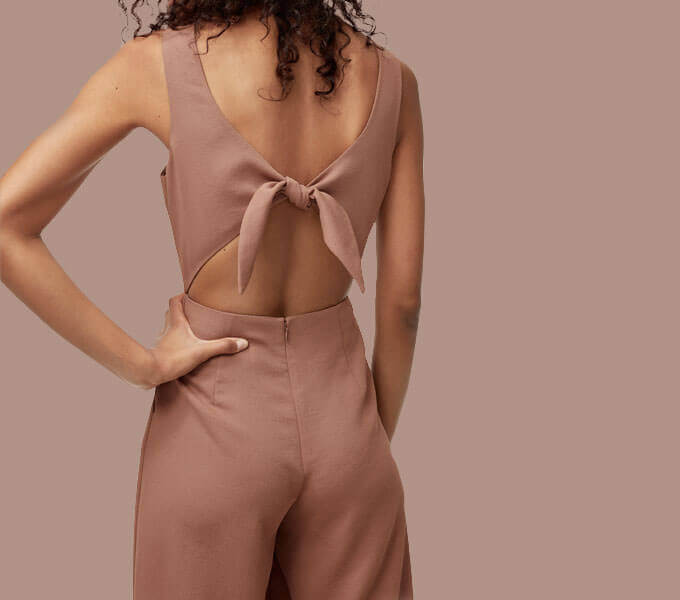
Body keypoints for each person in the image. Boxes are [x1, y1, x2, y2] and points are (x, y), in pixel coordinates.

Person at [0, 1, 424, 598]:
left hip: (213, 419)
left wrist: (142, 364)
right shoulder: (393, 80)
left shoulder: (160, 63)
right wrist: (363, 443)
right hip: (347, 422)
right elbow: (403, 305)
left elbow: (6, 223)